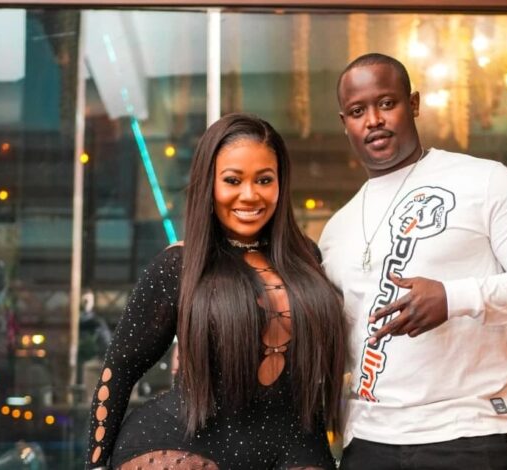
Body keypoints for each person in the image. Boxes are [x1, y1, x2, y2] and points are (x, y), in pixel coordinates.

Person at [318, 53, 507, 469]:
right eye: (358, 111)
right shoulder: (337, 229)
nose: (373, 120)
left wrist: (453, 298)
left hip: (467, 436)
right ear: (344, 122)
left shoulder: (484, 180)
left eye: (387, 103)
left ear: (414, 104)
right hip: (367, 442)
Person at [85, 113, 346, 470]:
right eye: (232, 180)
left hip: (294, 445)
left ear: (281, 183)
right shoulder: (179, 265)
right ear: (209, 183)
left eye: (264, 180)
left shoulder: (307, 259)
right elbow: (119, 370)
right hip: (184, 447)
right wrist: (95, 466)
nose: (249, 195)